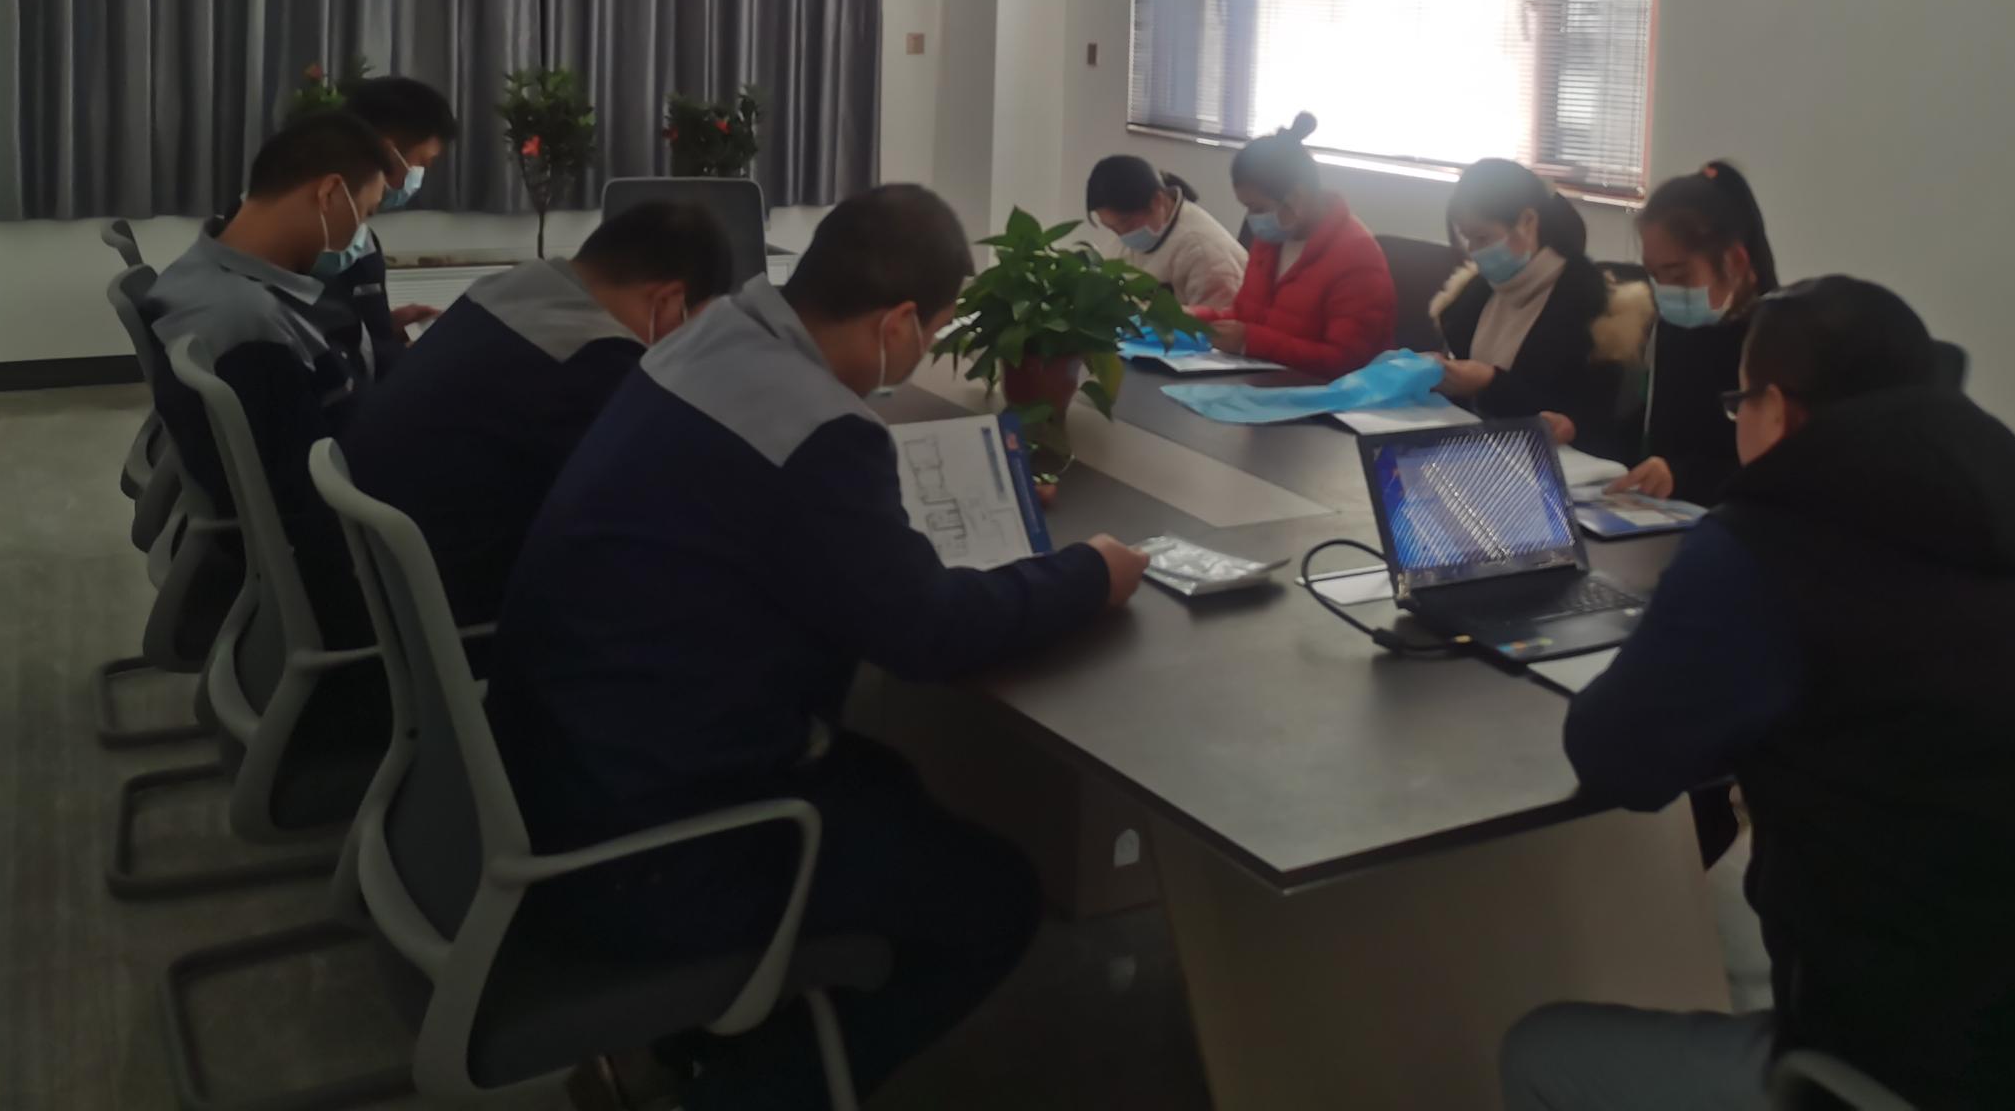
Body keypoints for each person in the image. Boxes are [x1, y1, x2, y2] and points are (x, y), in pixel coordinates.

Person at [491, 184, 1152, 1103]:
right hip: (651, 848)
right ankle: (751, 1090)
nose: (924, 349)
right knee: (995, 897)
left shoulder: (709, 342)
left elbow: (774, 509)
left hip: (554, 770)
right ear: (899, 321)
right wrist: (1089, 574)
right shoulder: (819, 431)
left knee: (892, 782)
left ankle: (709, 1043)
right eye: (933, 330)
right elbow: (927, 633)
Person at [1503, 278, 2015, 1111]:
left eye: (1739, 404)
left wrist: (1677, 644)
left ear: (1778, 409)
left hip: (1944, 1073)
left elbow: (1617, 760)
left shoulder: (1760, 555)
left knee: (1540, 1052)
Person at [343, 201, 735, 627]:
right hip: (455, 623)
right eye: (696, 327)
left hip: (371, 582)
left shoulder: (500, 290)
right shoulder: (595, 358)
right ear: (669, 300)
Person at [145, 112, 393, 646]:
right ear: (329, 194)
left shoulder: (202, 276)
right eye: (366, 214)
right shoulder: (249, 328)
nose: (362, 238)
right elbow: (314, 508)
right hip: (348, 574)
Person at [1583, 162, 1779, 504]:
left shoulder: (1774, 341)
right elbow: (1651, 430)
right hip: (1657, 510)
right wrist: (1579, 431)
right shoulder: (1673, 325)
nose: (1665, 290)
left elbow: (1774, 472)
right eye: (1654, 275)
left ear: (1734, 262)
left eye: (1677, 274)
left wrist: (1680, 476)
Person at [1429, 159, 1652, 456]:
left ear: (1527, 222)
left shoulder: (1591, 305)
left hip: (1552, 463)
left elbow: (1590, 421)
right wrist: (1438, 374)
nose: (1473, 251)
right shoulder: (1476, 292)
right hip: (1476, 453)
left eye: (1482, 238)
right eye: (1467, 239)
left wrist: (1490, 382)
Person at [1194, 112, 1397, 377]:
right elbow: (1246, 318)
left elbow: (1346, 361)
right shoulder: (1271, 240)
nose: (1252, 219)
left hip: (1327, 394)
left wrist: (1250, 342)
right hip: (1263, 381)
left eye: (1258, 208)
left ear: (1298, 196)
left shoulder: (1357, 257)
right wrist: (1193, 318)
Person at [315, 75, 460, 378]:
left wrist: (385, 328)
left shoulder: (362, 239)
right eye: (422, 162)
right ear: (386, 151)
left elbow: (345, 331)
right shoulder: (321, 242)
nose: (418, 177)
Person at [1085, 154, 1247, 312]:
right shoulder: (1126, 234)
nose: (1122, 236)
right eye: (1111, 228)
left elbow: (1220, 323)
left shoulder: (1204, 251)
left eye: (1126, 224)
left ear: (1157, 201)